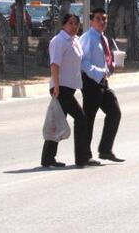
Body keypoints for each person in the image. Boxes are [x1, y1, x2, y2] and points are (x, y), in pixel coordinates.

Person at [40, 12, 88, 168]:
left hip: (70, 87)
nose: (74, 27)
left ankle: (47, 158)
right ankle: (82, 158)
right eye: (70, 23)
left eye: (76, 24)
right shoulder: (59, 41)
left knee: (57, 122)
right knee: (80, 118)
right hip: (61, 88)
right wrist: (56, 86)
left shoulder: (75, 41)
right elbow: (54, 64)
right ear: (63, 25)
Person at [80, 7, 124, 164]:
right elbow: (83, 62)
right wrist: (99, 73)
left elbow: (105, 59)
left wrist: (112, 66)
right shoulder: (88, 38)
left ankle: (105, 150)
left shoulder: (103, 38)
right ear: (91, 21)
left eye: (104, 19)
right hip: (91, 82)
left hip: (102, 83)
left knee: (114, 112)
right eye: (98, 19)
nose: (102, 22)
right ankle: (84, 155)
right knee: (88, 119)